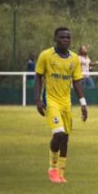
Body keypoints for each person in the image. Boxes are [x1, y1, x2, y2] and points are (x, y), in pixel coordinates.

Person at [34, 27, 88, 183]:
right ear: (55, 39)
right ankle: (52, 168)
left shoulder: (74, 59)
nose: (65, 40)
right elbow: (38, 77)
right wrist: (38, 99)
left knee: (65, 137)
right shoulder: (45, 56)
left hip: (66, 103)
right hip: (51, 101)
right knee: (58, 133)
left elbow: (77, 81)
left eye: (68, 37)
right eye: (62, 37)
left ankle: (61, 172)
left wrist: (83, 103)